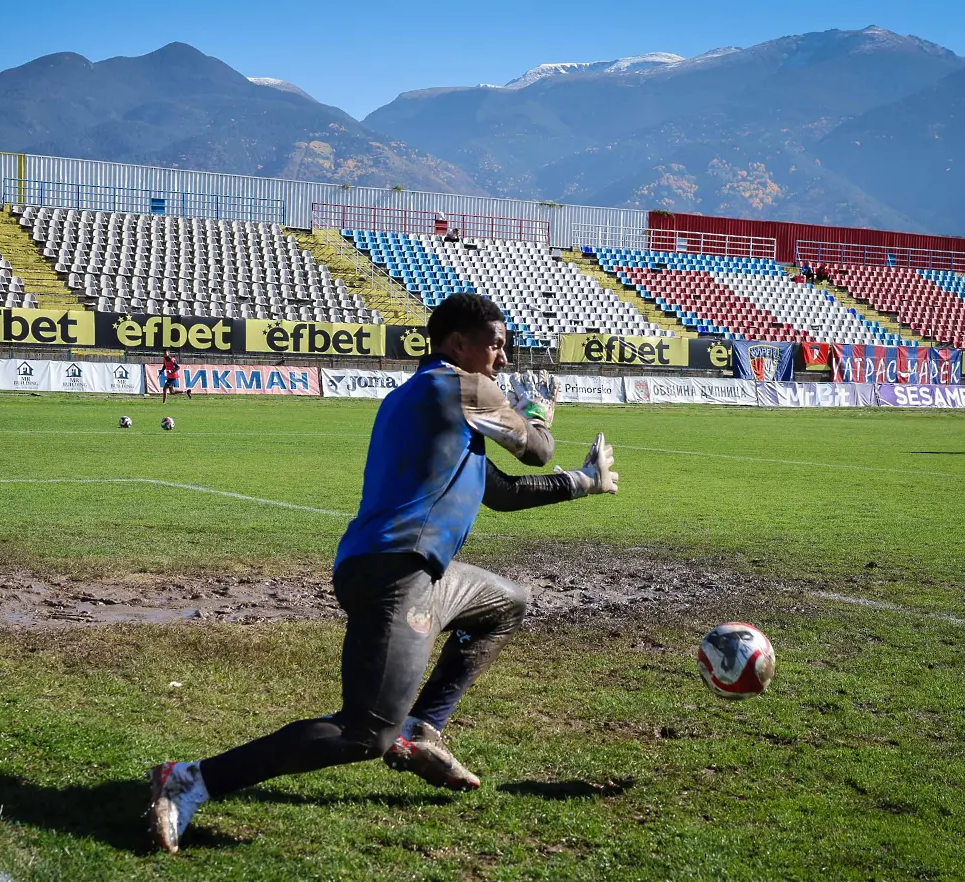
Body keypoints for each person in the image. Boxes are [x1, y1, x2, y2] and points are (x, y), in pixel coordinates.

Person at [148, 293, 620, 853]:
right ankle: (190, 779)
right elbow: (537, 451)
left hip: (407, 569)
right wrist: (535, 412)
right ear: (456, 343)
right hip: (396, 574)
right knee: (365, 731)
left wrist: (583, 482)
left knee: (507, 603)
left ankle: (420, 730)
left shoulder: (421, 396)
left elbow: (499, 492)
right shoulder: (461, 386)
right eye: (494, 344)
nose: (502, 357)